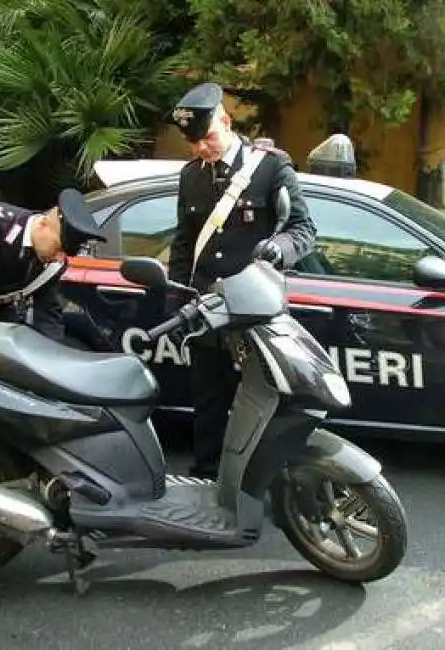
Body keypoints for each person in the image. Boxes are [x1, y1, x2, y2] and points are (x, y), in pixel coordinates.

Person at [167, 81, 317, 480]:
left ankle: (264, 483)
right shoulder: (190, 177)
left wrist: (278, 248)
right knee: (209, 403)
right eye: (193, 143)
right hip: (207, 310)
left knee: (267, 401)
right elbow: (184, 244)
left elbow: (303, 230)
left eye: (208, 137)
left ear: (227, 121)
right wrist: (177, 299)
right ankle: (207, 479)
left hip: (255, 311)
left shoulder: (269, 167)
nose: (202, 148)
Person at [0, 188, 107, 342]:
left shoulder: (54, 264)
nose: (59, 258)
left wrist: (54, 353)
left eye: (67, 254)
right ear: (43, 224)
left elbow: (47, 309)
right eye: (58, 247)